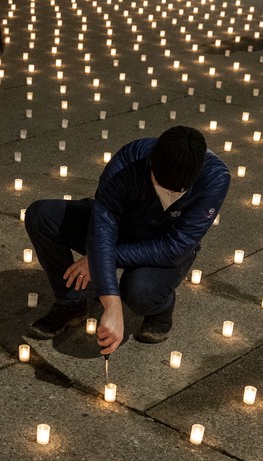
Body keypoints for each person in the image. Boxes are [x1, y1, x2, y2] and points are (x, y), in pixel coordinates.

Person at [25, 126, 230, 355]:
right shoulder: (129, 160)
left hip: (162, 246)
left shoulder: (215, 178)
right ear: (151, 163)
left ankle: (160, 308)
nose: (168, 197)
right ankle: (70, 303)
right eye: (161, 187)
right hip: (122, 226)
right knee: (42, 216)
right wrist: (111, 304)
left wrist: (99, 259)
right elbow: (102, 226)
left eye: (178, 193)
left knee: (140, 293)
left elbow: (176, 247)